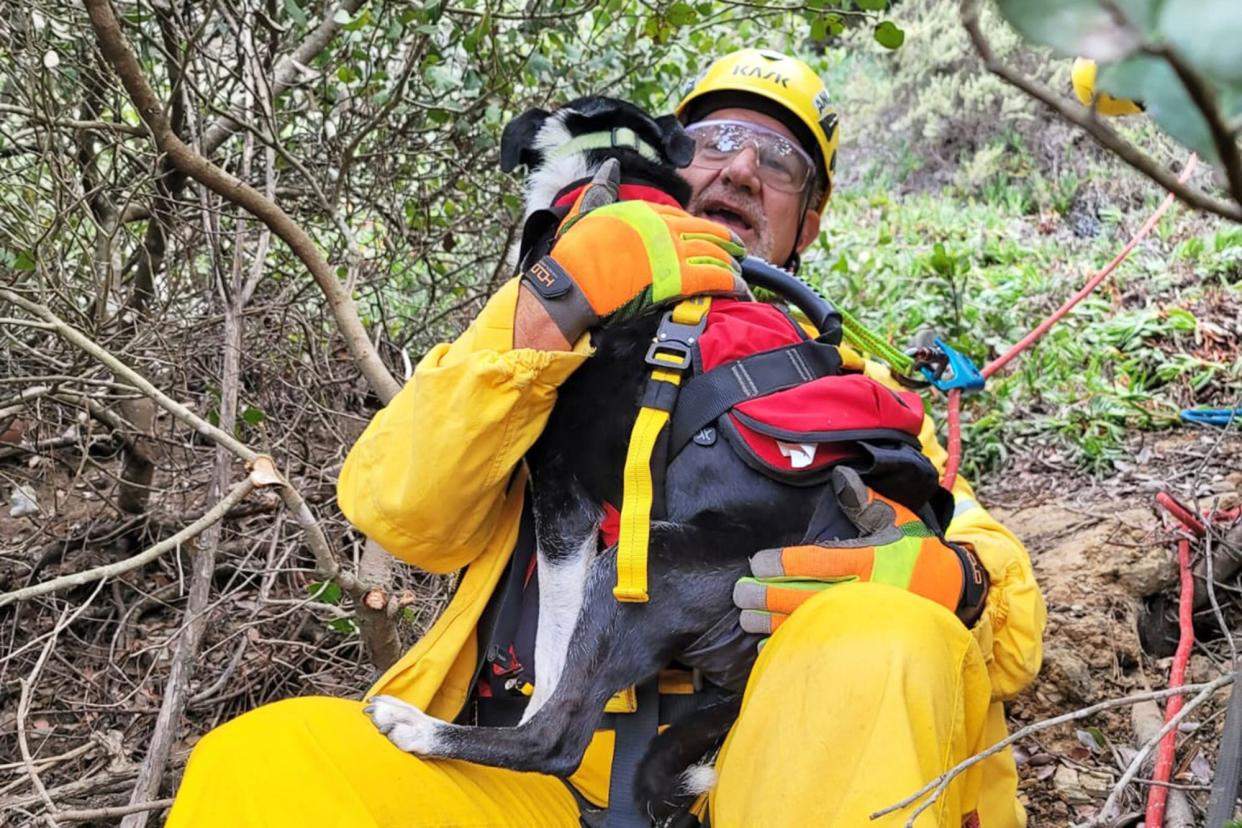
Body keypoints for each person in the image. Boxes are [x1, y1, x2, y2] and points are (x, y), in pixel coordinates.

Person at [168, 49, 1046, 827]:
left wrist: (962, 579)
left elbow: (1008, 630)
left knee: (888, 638)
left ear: (807, 222)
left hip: (774, 771)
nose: (739, 168)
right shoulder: (558, 319)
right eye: (714, 140)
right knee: (264, 766)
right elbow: (398, 510)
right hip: (521, 774)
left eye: (778, 160)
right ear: (667, 164)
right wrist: (559, 296)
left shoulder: (853, 392)